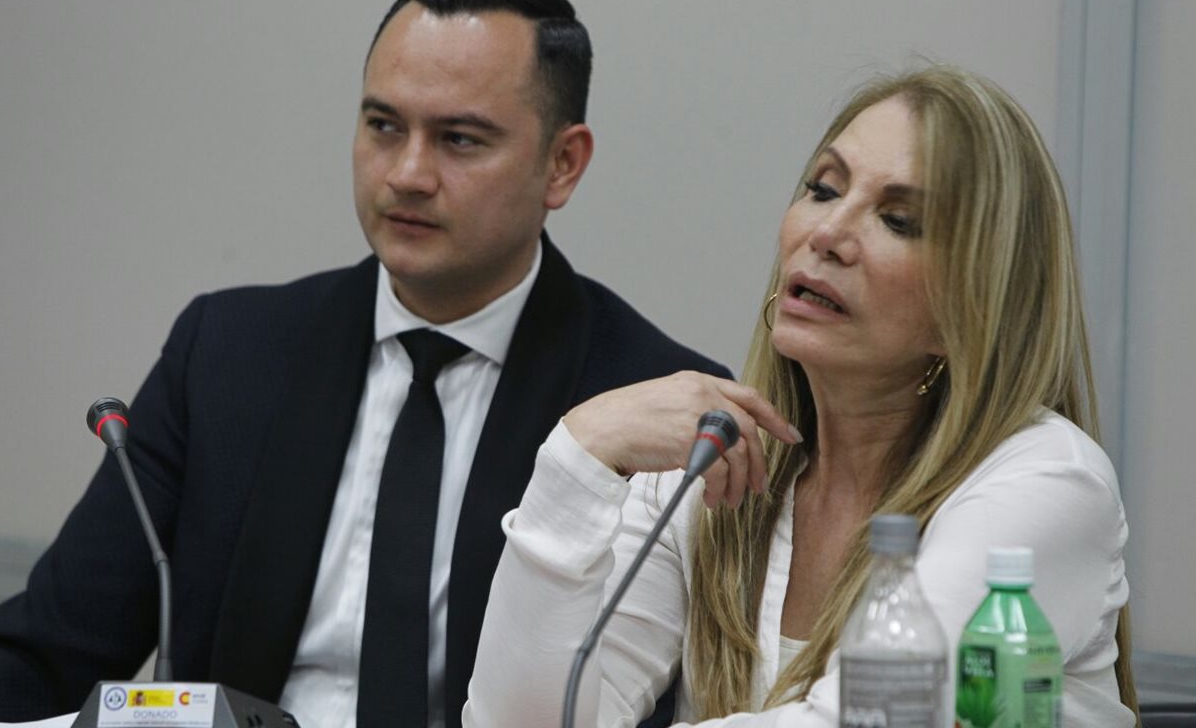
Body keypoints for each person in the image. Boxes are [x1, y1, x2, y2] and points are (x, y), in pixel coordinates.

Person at [0, 0, 730, 727]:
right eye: (384, 126)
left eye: (460, 140)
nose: (408, 174)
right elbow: (46, 652)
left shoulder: (652, 407)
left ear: (562, 164)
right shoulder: (228, 355)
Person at [462, 65, 1139, 727]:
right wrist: (577, 457)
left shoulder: (1048, 483)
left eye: (898, 221)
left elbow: (871, 719)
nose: (828, 236)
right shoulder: (713, 467)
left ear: (977, 303)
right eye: (822, 189)